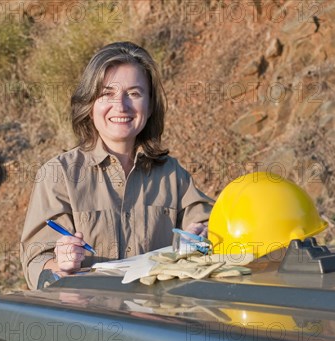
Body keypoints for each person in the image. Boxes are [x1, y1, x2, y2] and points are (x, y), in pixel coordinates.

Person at [20, 42, 214, 289]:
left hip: (153, 323)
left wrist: (200, 238)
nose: (121, 106)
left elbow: (211, 231)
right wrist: (60, 265)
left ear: (150, 104)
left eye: (134, 93)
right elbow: (36, 262)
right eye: (107, 94)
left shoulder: (172, 174)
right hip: (85, 323)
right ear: (90, 104)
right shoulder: (58, 175)